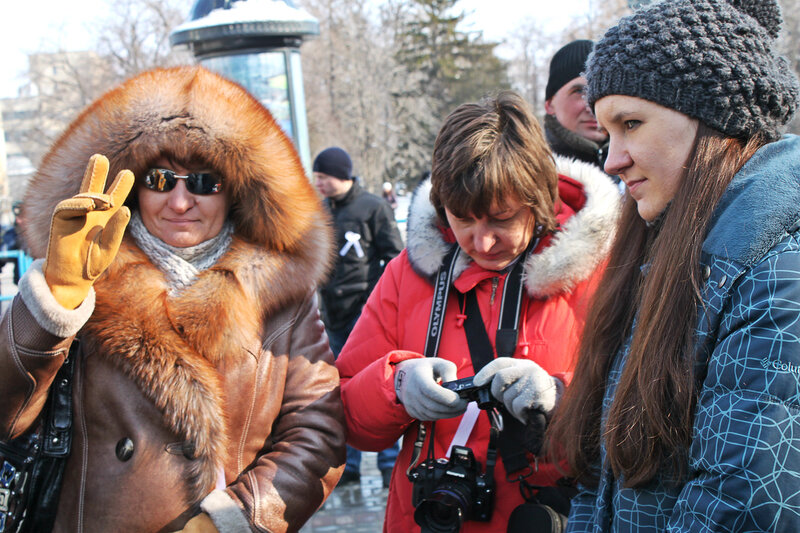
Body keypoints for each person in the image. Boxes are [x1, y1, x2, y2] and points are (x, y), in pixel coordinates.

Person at [1, 66, 345, 533]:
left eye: (204, 182)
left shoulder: (283, 296)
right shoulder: (82, 273)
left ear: (236, 192)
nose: (181, 202)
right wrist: (55, 303)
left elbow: (317, 432)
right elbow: (6, 417)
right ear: (134, 185)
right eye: (161, 181)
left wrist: (233, 519)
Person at [548, 0, 800, 531]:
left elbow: (746, 504)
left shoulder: (781, 274)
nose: (612, 158)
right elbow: (607, 480)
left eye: (631, 123)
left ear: (716, 120)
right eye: (608, 130)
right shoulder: (663, 248)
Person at [336, 91, 620, 532]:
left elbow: (643, 418)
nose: (481, 241)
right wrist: (396, 387)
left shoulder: (601, 273)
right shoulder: (407, 275)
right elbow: (348, 418)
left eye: (501, 219)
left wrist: (557, 400)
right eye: (462, 219)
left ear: (539, 201)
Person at [313, 146, 404, 487]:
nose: (318, 183)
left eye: (323, 177)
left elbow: (395, 257)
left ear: (341, 175)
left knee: (379, 385)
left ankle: (388, 462)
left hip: (365, 313)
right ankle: (347, 464)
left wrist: (378, 299)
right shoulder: (319, 211)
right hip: (332, 314)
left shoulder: (373, 207)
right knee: (338, 388)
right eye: (317, 177)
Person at [544, 39, 609, 171]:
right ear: (550, 105)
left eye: (602, 91)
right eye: (579, 91)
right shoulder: (530, 175)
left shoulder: (640, 168)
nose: (593, 107)